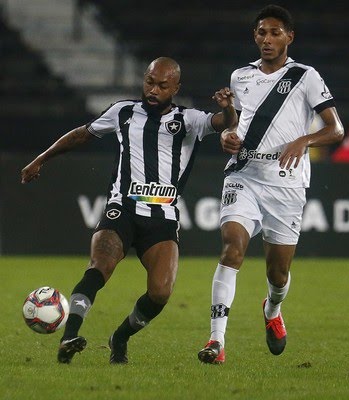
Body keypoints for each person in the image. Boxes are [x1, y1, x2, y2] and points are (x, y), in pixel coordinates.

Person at [21, 57, 237, 364]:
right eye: (149, 82)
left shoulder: (189, 120)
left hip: (162, 219)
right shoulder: (122, 111)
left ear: (176, 87)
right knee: (99, 267)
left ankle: (119, 338)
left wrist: (228, 107)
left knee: (161, 293)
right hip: (121, 209)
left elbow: (224, 122)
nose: (154, 90)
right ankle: (69, 336)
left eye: (163, 85)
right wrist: (41, 159)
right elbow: (82, 133)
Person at [197, 4, 344, 364]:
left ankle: (272, 309)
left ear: (289, 37)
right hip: (243, 173)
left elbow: (335, 128)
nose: (267, 39)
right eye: (262, 32)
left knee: (278, 273)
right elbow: (237, 124)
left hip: (286, 183)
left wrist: (304, 141)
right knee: (232, 249)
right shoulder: (240, 77)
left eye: (275, 32)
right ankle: (216, 342)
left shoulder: (306, 76)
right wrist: (228, 136)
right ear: (255, 36)